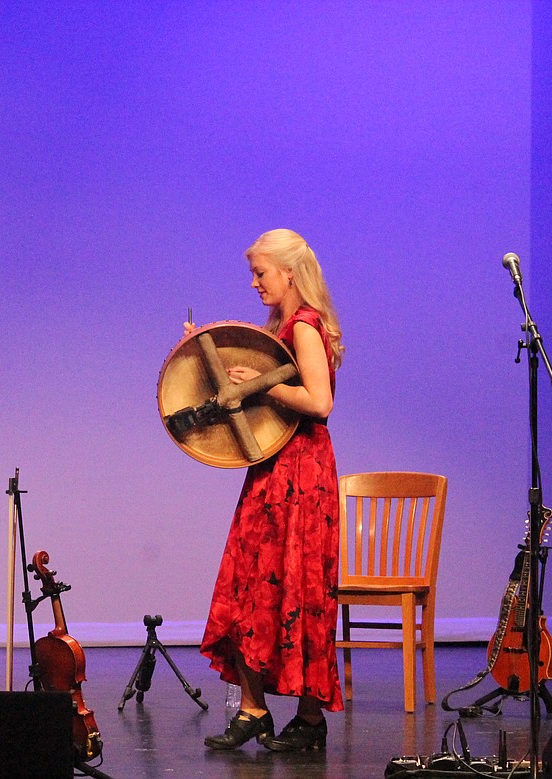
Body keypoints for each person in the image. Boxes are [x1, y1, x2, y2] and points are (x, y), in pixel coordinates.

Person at [195, 228, 345, 752]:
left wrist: (265, 385)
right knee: (251, 583)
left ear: (289, 273)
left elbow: (320, 402)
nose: (256, 283)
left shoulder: (304, 326)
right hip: (276, 464)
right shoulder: (282, 324)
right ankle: (256, 709)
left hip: (300, 470)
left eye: (262, 273)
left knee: (293, 587)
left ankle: (304, 718)